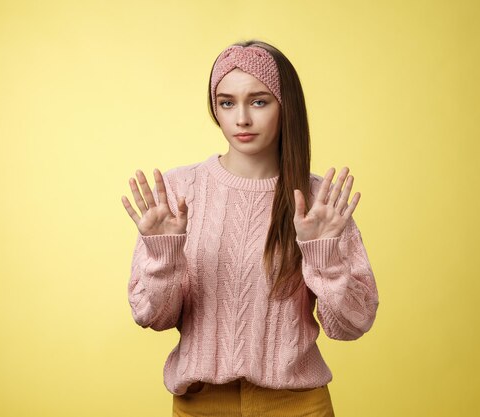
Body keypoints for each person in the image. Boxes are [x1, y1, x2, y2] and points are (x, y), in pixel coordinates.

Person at [121, 39, 380, 417]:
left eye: (259, 101)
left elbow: (352, 324)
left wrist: (325, 258)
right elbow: (152, 317)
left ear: (284, 105)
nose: (241, 118)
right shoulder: (178, 192)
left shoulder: (318, 201)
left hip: (296, 405)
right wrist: (164, 255)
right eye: (227, 103)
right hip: (201, 405)